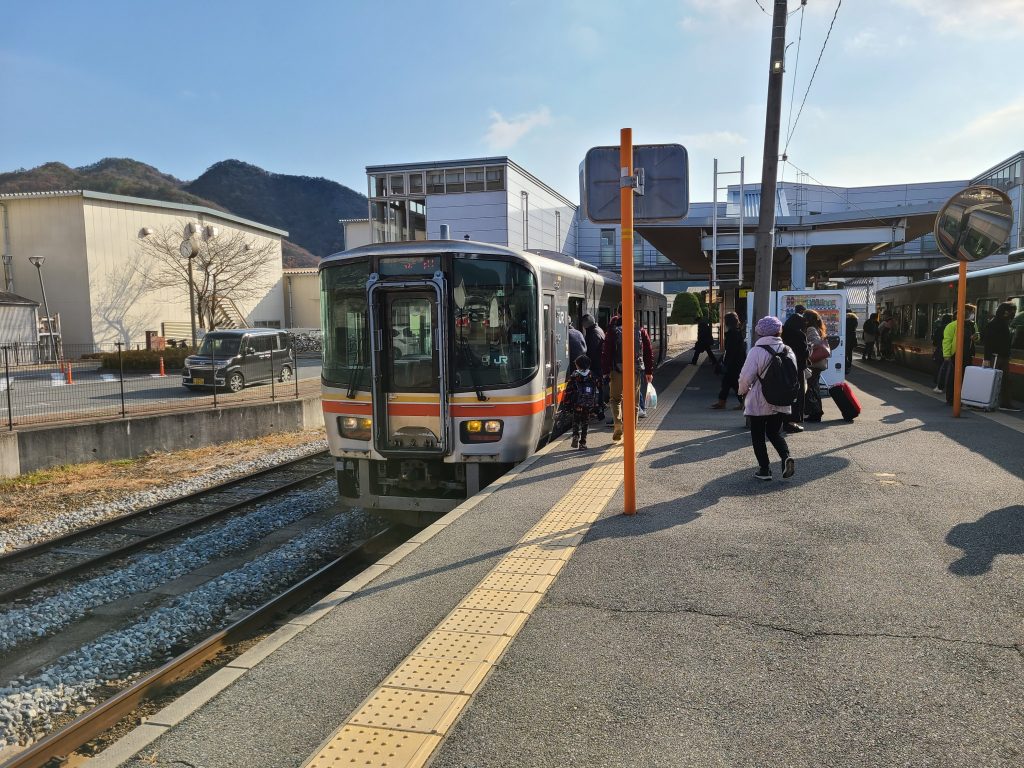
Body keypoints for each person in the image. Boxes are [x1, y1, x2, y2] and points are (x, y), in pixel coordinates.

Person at [738, 316, 796, 481]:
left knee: (757, 435)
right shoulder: (788, 350)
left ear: (760, 333)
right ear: (779, 331)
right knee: (774, 432)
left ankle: (764, 470)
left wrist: (742, 392)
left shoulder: (756, 351)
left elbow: (745, 378)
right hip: (781, 399)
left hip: (759, 400)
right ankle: (785, 457)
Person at [602, 304, 654, 441]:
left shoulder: (613, 331)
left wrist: (606, 371)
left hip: (617, 370)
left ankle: (618, 424)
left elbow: (606, 352)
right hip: (635, 371)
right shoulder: (640, 330)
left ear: (618, 313)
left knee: (615, 399)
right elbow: (648, 351)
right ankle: (631, 431)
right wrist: (649, 371)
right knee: (634, 402)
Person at [559, 354, 602, 450]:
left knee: (575, 421)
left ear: (577, 365)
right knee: (585, 423)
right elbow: (598, 386)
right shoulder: (592, 375)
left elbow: (569, 390)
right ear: (588, 365)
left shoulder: (574, 375)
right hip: (588, 403)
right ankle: (583, 443)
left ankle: (575, 435)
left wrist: (566, 404)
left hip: (577, 403)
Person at [983, 302, 1019, 411]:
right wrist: (986, 358)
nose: (1013, 314)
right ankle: (987, 402)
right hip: (996, 357)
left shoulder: (1003, 323)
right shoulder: (994, 324)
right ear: (1005, 311)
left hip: (1002, 357)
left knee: (1004, 381)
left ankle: (1002, 403)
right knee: (995, 381)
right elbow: (988, 342)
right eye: (1012, 311)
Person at [942, 304, 979, 406]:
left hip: (968, 354)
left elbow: (978, 336)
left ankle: (962, 397)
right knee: (953, 376)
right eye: (971, 312)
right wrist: (947, 355)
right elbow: (947, 341)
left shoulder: (973, 324)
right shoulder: (952, 325)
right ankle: (951, 398)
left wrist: (976, 338)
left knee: (965, 376)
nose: (972, 314)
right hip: (956, 354)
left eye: (972, 312)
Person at [781, 304, 808, 433]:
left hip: (784, 368)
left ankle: (784, 419)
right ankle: (793, 421)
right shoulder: (800, 334)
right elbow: (805, 353)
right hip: (798, 368)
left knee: (785, 393)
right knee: (797, 394)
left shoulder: (783, 333)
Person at [711, 312, 746, 409]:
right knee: (727, 383)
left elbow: (731, 351)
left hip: (733, 363)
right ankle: (722, 402)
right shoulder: (737, 332)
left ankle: (743, 403)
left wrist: (725, 363)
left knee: (733, 383)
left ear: (727, 322)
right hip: (737, 362)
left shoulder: (733, 334)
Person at [803, 309, 829, 422]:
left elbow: (816, 342)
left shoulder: (810, 329)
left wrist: (807, 347)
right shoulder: (818, 328)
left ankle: (815, 413)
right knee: (814, 387)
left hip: (813, 363)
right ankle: (816, 412)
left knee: (811, 388)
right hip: (818, 363)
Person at [580, 313, 606, 419]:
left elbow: (592, 352)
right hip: (599, 366)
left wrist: (587, 366)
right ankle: (599, 408)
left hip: (596, 367)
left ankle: (598, 410)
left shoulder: (593, 334)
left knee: (593, 388)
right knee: (599, 388)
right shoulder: (599, 330)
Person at [931, 313, 953, 393]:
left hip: (941, 351)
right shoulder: (953, 327)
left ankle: (939, 386)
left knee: (939, 368)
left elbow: (935, 342)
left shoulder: (940, 328)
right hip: (951, 351)